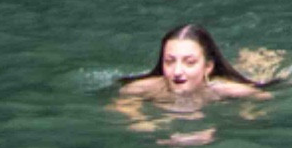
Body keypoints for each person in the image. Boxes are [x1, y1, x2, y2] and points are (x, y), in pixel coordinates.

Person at [115, 23, 274, 100]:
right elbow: (123, 98)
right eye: (169, 61)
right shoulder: (150, 87)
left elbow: (263, 98)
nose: (177, 72)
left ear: (208, 67)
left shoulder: (224, 89)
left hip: (254, 73)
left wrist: (248, 113)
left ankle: (255, 57)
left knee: (259, 68)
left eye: (189, 62)